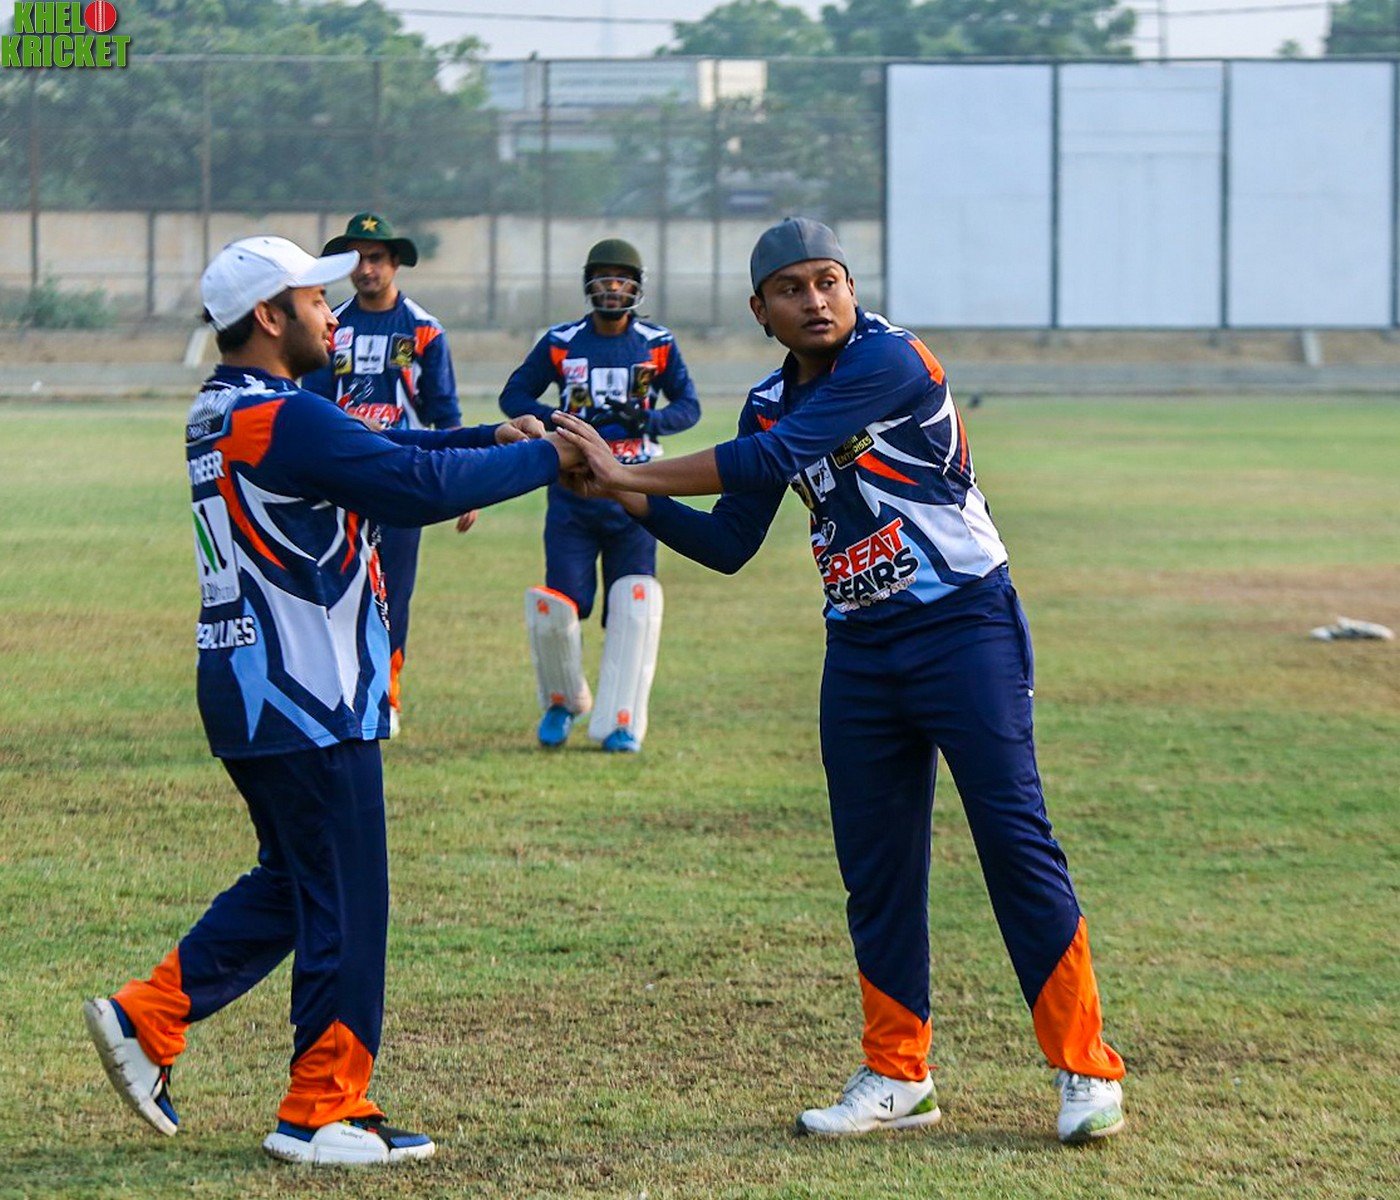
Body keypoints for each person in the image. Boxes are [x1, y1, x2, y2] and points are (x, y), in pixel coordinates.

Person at [553, 218, 1126, 1144]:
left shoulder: (891, 359)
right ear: (760, 310)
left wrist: (631, 467)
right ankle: (899, 1076)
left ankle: (1086, 1069)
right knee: (876, 867)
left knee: (1015, 843)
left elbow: (774, 459)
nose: (815, 300)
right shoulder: (768, 400)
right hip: (860, 649)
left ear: (852, 288)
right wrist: (620, 493)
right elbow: (730, 542)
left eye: (829, 281)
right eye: (792, 288)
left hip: (964, 628)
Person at [83, 235, 578, 1167]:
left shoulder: (229, 409)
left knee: (295, 882)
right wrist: (553, 456)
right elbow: (412, 484)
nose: (333, 313)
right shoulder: (284, 415)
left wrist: (490, 437)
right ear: (270, 318)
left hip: (250, 687)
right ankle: (321, 1111)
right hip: (307, 693)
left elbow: (386, 449)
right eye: (315, 299)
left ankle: (148, 1018)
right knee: (346, 898)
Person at [499, 237, 701, 753]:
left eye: (622, 278)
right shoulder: (561, 341)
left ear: (637, 286)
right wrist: (560, 420)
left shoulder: (658, 342)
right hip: (573, 493)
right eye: (604, 278)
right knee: (558, 606)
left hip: (636, 494)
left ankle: (622, 720)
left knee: (634, 605)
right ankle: (562, 701)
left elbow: (689, 406)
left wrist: (647, 420)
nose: (613, 287)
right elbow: (513, 395)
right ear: (589, 283)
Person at [303, 211, 466, 738]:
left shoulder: (424, 330)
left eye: (375, 258)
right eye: (356, 259)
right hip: (341, 478)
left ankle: (386, 693)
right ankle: (336, 689)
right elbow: (312, 405)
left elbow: (445, 413)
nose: (365, 269)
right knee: (333, 583)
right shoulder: (330, 326)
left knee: (393, 590)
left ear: (395, 262)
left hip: (401, 476)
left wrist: (464, 486)